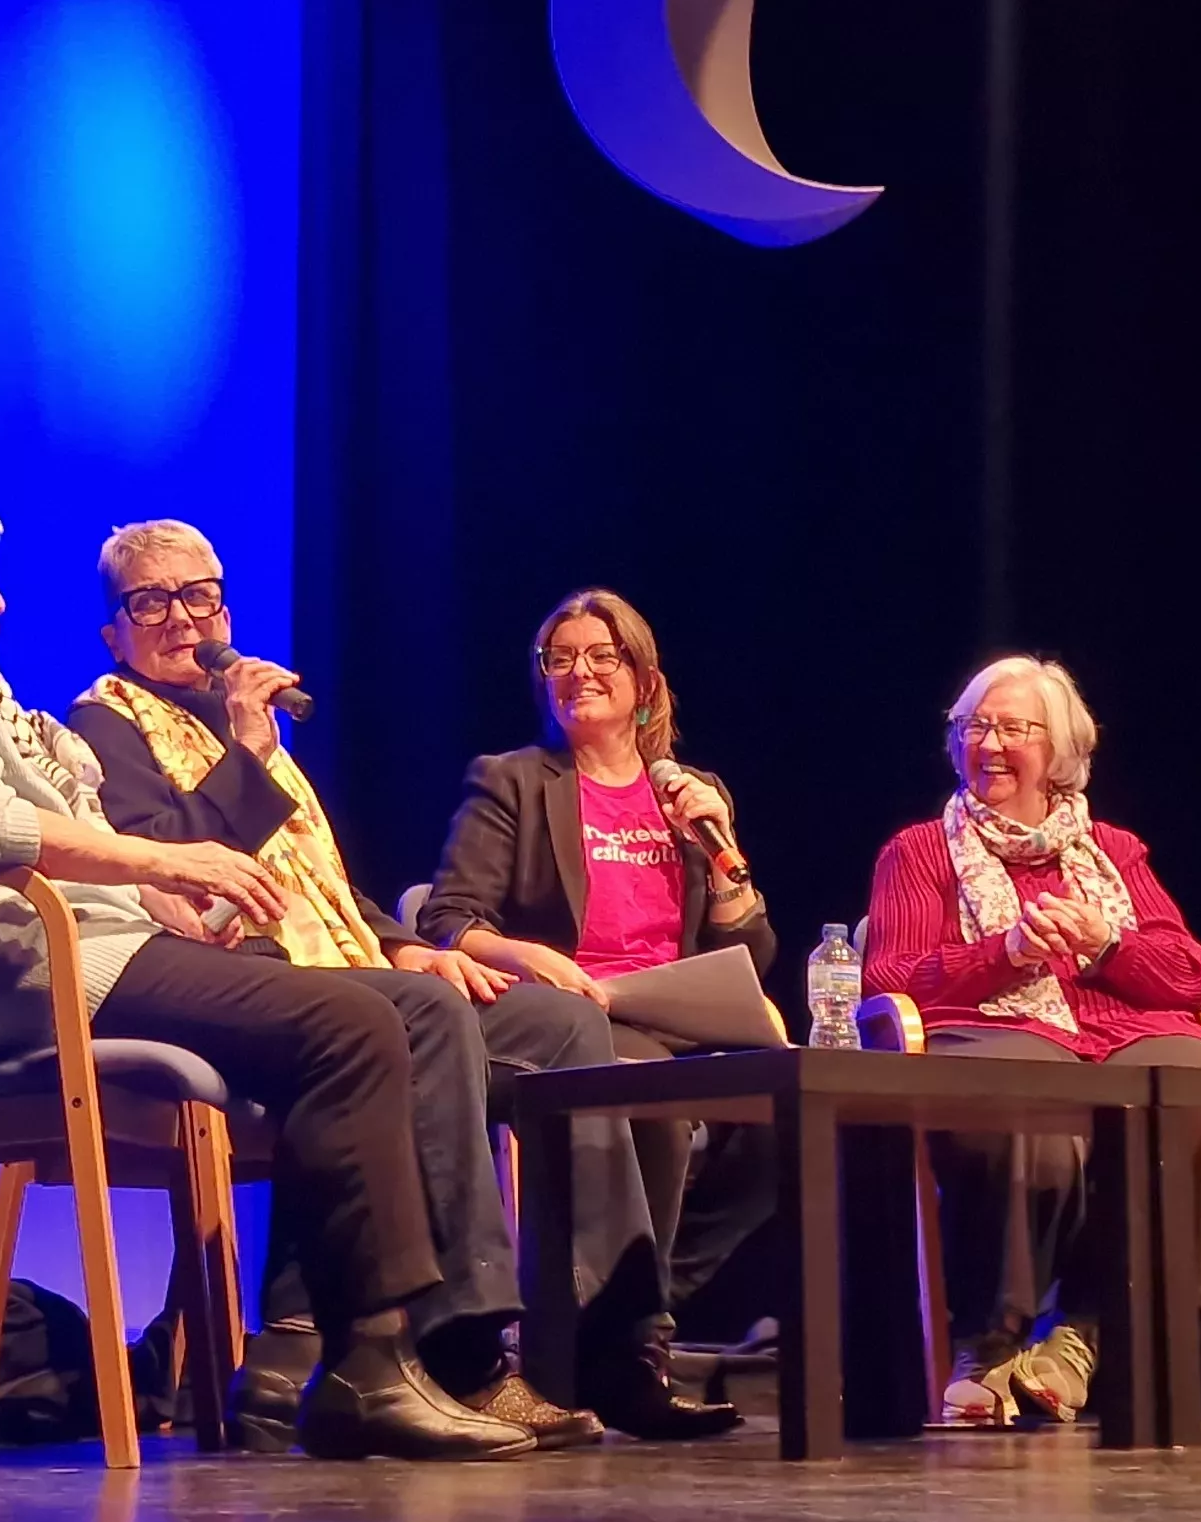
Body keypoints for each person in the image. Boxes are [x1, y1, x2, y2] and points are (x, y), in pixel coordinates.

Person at [0, 469, 529, 1460]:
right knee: (349, 1025)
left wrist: (151, 895)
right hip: (15, 971)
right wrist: (159, 861)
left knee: (406, 1007)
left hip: (58, 947)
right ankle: (361, 1367)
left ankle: (393, 1356)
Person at [63, 528, 735, 1443]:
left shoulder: (231, 724)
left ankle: (611, 1346)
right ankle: (465, 1349)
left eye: (201, 596)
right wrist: (252, 752)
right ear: (114, 633)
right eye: (151, 602)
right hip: (244, 982)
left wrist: (403, 944)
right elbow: (176, 865)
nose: (183, 618)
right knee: (432, 1020)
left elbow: (323, 887)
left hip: (349, 968)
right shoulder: (103, 726)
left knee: (564, 1028)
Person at [862, 656, 1201, 1428]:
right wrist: (1002, 953)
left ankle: (1087, 1335)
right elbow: (889, 976)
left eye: (1014, 729)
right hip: (995, 1027)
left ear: (1060, 748)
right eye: (975, 727)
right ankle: (991, 1342)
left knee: (1200, 1082)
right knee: (1031, 1102)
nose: (989, 744)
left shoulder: (1114, 851)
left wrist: (1108, 946)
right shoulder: (920, 850)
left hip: (1125, 1033)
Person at [417, 589, 781, 1362]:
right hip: (570, 1022)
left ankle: (625, 1308)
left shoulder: (689, 795)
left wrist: (722, 857)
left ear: (643, 679)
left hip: (676, 1019)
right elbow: (446, 916)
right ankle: (634, 1342)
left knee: (781, 1114)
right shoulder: (513, 781)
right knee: (654, 1097)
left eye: (600, 656)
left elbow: (750, 955)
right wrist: (529, 957)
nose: (578, 672)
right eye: (559, 658)